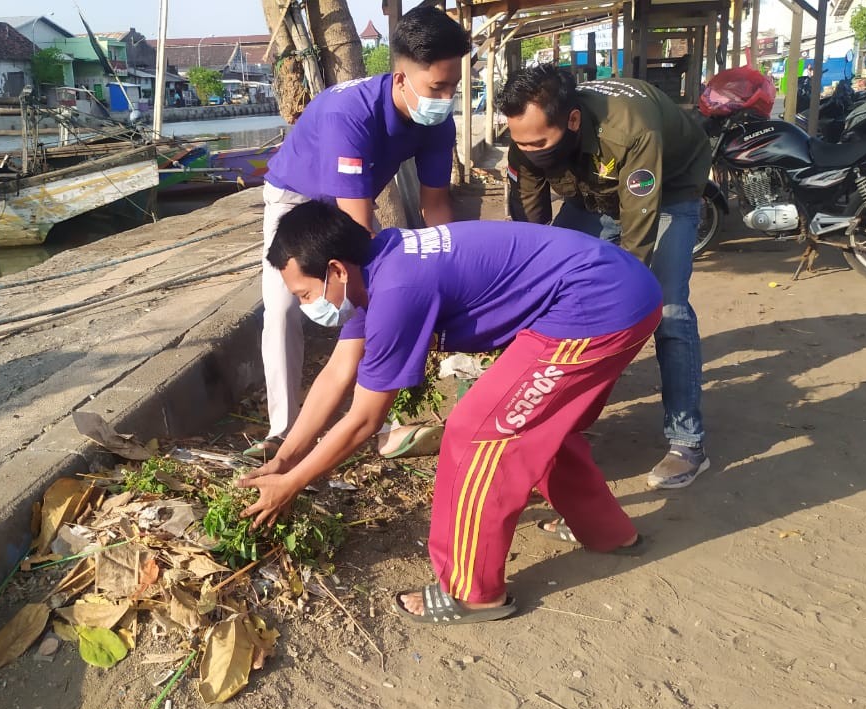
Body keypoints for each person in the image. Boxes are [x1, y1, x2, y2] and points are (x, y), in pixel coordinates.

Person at [238, 201, 662, 624]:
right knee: (530, 421)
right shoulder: (375, 269)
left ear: (335, 270)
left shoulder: (398, 290)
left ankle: (473, 592)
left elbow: (364, 420)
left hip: (597, 305)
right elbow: (336, 373)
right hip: (606, 289)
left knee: (480, 432)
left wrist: (293, 484)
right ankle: (605, 530)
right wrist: (285, 456)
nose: (309, 305)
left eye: (306, 294)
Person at [247, 4, 471, 460]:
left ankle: (373, 414)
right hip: (298, 198)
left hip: (348, 200)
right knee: (286, 308)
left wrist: (454, 273)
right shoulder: (348, 114)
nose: (446, 98)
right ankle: (283, 432)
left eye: (453, 86)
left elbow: (436, 205)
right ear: (401, 78)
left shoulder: (437, 121)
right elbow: (355, 230)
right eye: (437, 87)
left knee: (370, 294)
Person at [499, 64, 712, 491]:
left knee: (666, 309)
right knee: (548, 296)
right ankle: (554, 425)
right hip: (592, 188)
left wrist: (620, 306)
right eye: (522, 142)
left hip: (666, 190)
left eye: (540, 142)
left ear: (572, 121)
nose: (531, 149)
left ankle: (687, 441)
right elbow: (531, 226)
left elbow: (637, 232)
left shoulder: (632, 130)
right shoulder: (526, 138)